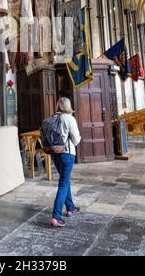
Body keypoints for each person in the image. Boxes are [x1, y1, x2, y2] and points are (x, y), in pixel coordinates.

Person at [50, 97, 81, 227]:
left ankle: (70, 208)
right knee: (63, 183)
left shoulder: (52, 117)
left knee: (65, 180)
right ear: (68, 106)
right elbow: (76, 139)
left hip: (54, 153)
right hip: (67, 154)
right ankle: (56, 216)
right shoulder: (69, 118)